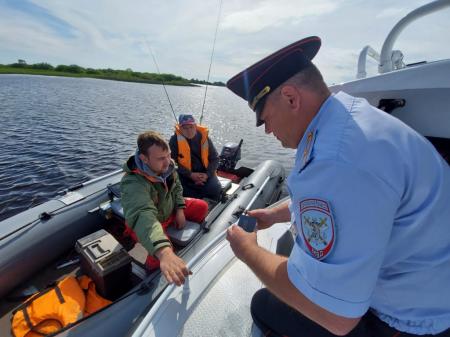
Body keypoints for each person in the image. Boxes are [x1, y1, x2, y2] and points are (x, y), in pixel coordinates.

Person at [225, 36, 450, 336]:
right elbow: (351, 202)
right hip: (430, 288)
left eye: (265, 118)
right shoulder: (346, 117)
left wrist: (247, 251)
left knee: (263, 305)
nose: (267, 130)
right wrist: (275, 215)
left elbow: (336, 317)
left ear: (291, 98)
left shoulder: (335, 161)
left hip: (411, 323)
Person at [120, 131, 208, 286]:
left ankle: (175, 239)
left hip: (169, 212)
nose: (168, 161)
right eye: (161, 158)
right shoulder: (133, 183)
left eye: (169, 155)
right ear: (144, 159)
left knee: (202, 207)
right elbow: (143, 214)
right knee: (159, 255)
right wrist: (164, 251)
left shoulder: (168, 167)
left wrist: (180, 209)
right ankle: (153, 278)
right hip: (149, 223)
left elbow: (177, 188)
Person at [169, 114, 222, 201]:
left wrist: (207, 174)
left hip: (205, 173)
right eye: (185, 128)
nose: (189, 130)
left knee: (215, 189)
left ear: (195, 126)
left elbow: (215, 158)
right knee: (184, 193)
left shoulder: (205, 138)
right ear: (180, 128)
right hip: (185, 175)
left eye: (191, 127)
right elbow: (172, 163)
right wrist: (190, 175)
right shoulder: (174, 141)